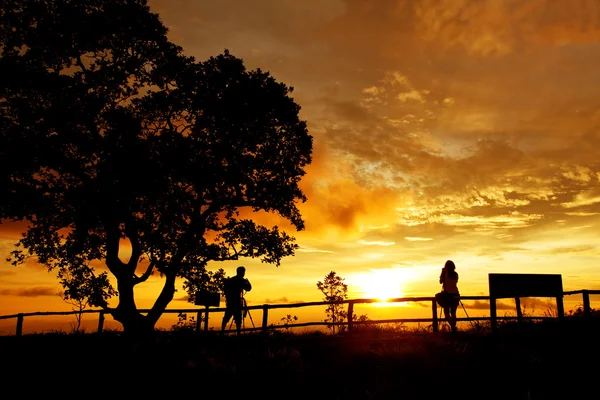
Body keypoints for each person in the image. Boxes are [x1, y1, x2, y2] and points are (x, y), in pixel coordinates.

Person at [221, 266, 252, 334]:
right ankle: (238, 334)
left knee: (226, 318)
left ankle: (222, 332)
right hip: (237, 303)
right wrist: (248, 282)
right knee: (238, 320)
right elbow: (248, 288)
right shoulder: (241, 280)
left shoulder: (231, 280)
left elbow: (225, 290)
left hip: (230, 302)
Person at [438, 260, 460, 333]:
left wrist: (443, 273)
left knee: (447, 314)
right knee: (453, 313)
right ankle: (453, 327)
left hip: (447, 295)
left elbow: (441, 281)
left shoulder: (445, 274)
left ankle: (453, 327)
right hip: (456, 295)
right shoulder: (456, 274)